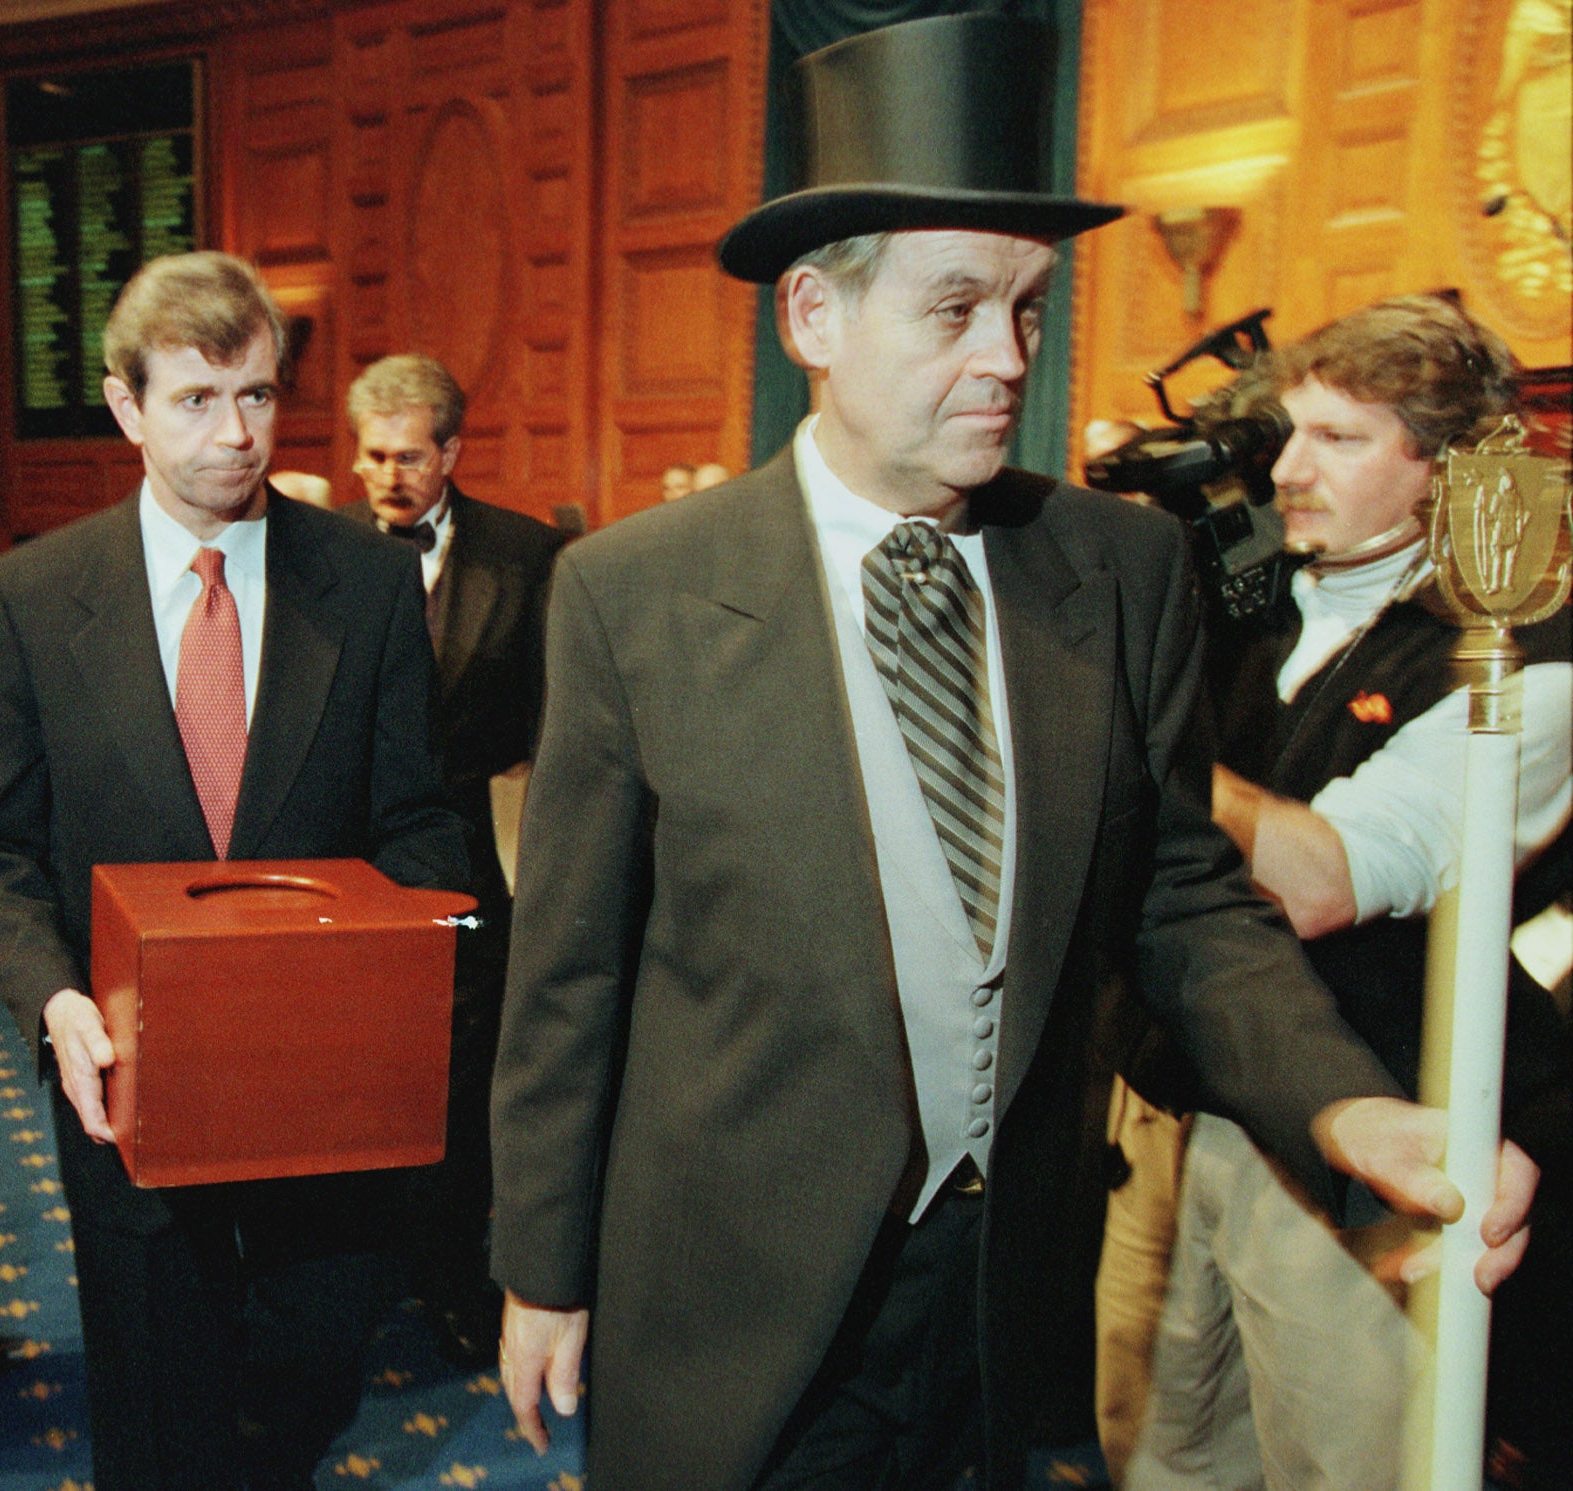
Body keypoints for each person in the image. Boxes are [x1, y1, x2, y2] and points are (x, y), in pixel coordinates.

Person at [487, 17, 1538, 1491]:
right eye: (957, 307)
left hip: (1001, 1287)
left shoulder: (1115, 565)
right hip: (736, 1291)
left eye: (1030, 308)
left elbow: (1181, 890)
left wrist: (1345, 1101)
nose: (1008, 358)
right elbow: (572, 968)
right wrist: (542, 1265)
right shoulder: (636, 591)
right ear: (814, 317)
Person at [0, 251, 468, 1491]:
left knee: (313, 1372)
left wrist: (407, 960)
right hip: (124, 1080)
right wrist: (54, 1004)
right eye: (194, 399)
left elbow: (420, 824)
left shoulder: (371, 581)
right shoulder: (34, 595)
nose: (234, 435)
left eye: (256, 396)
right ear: (125, 405)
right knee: (153, 1406)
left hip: (323, 1087)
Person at [1119, 296, 1571, 1491]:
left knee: (1346, 1461)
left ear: (1447, 471)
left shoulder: (1526, 650)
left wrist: (1116, 728)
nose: (1288, 467)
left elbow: (1324, 879)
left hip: (1374, 1130)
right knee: (1158, 1451)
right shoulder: (1248, 598)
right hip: (1180, 1100)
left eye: (1339, 439)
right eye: (1287, 432)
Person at [345, 351, 565, 1361]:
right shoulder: (316, 553)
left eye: (405, 456)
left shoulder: (525, 555)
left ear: (450, 454)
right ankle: (362, 1264)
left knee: (463, 1073)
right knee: (359, 1066)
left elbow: (561, 715)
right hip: (348, 863)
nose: (385, 475)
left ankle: (452, 1271)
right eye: (370, 456)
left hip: (481, 851)